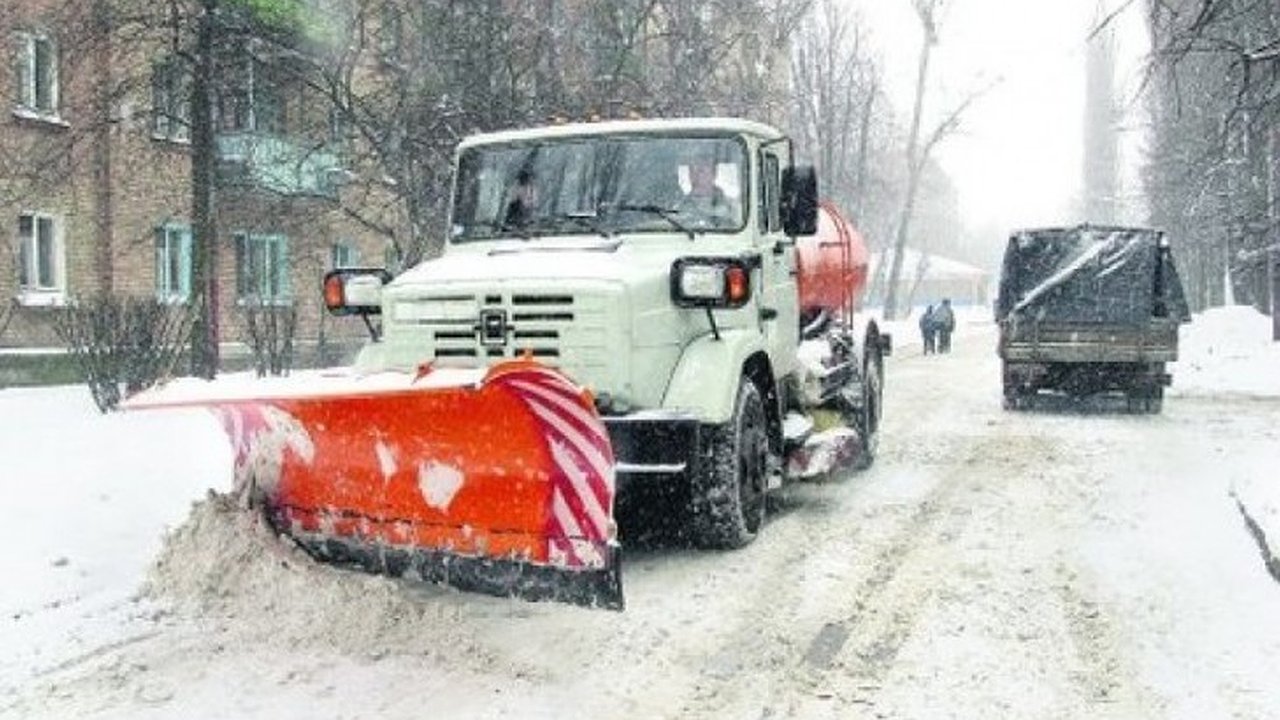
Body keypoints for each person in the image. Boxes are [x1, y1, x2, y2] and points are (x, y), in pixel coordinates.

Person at [675, 153, 735, 225]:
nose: (699, 173)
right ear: (690, 174)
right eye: (693, 167)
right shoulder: (679, 207)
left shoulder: (731, 207)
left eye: (704, 167)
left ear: (714, 173)